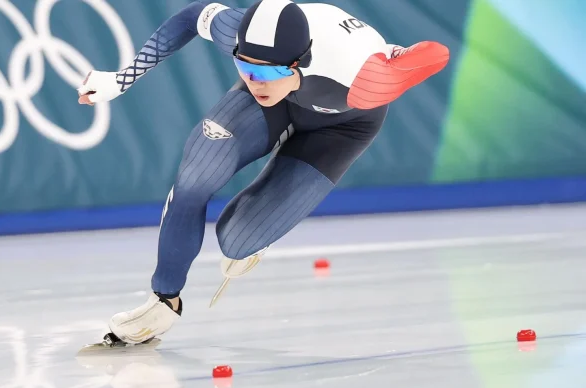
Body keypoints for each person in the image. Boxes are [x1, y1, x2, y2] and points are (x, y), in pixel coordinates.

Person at [77, 0, 449, 347]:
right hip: (281, 104)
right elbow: (193, 15)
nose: (254, 80)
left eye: (264, 71)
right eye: (244, 65)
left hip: (343, 127)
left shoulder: (366, 77)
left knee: (237, 241)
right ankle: (164, 299)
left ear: (299, 62)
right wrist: (122, 78)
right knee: (195, 177)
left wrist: (396, 58)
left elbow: (437, 53)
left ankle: (259, 228)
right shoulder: (244, 41)